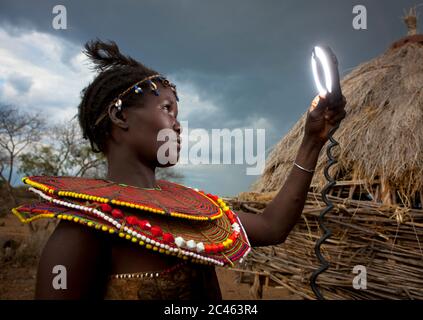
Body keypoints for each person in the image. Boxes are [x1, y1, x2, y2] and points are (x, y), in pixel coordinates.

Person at [13, 40, 346, 300]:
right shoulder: (87, 227)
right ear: (120, 116)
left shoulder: (193, 207)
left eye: (177, 112)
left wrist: (311, 140)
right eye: (166, 108)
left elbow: (273, 227)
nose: (177, 124)